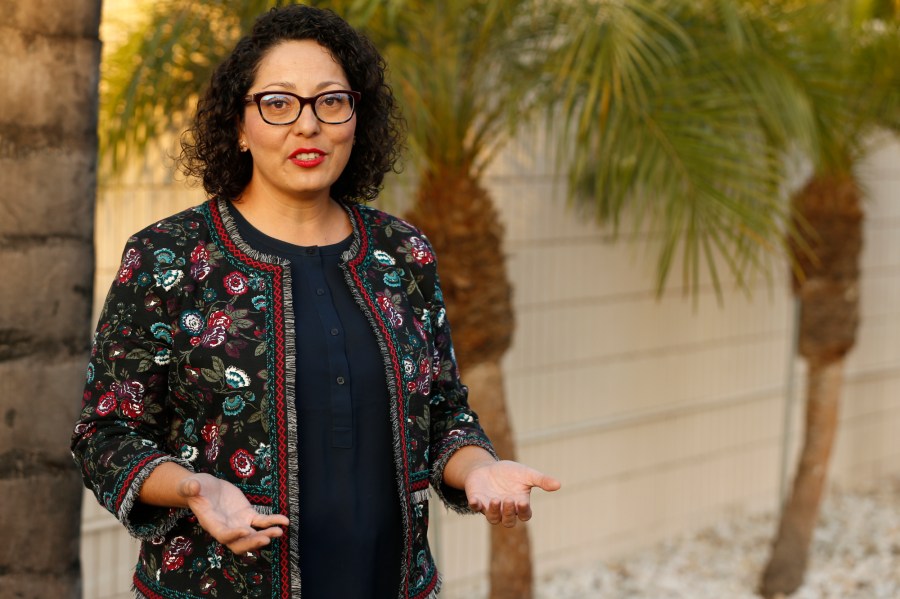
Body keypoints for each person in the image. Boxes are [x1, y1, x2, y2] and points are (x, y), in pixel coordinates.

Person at [72, 5, 560, 599]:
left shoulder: (401, 252)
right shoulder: (168, 256)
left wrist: (481, 468)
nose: (308, 125)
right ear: (238, 126)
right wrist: (191, 488)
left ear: (358, 118)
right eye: (278, 103)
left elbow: (444, 416)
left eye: (331, 101)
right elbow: (106, 433)